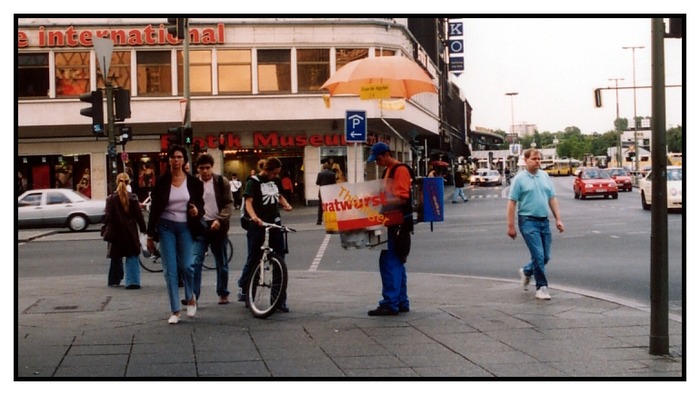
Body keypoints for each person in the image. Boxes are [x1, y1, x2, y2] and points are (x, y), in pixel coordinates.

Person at [146, 145, 205, 324]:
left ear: (184, 160)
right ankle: (175, 310)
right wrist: (149, 236)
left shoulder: (194, 182)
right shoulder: (162, 181)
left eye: (179, 157)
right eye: (173, 157)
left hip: (185, 226)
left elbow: (200, 205)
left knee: (187, 265)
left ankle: (190, 297)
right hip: (165, 227)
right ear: (169, 160)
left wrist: (197, 211)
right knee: (170, 270)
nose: (176, 160)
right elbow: (155, 209)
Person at [506, 148, 564, 301]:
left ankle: (526, 271)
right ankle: (542, 287)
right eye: (534, 159)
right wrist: (510, 226)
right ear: (526, 161)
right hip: (528, 221)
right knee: (538, 255)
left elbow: (552, 198)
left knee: (545, 256)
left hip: (544, 221)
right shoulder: (519, 179)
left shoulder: (544, 176)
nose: (538, 161)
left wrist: (558, 218)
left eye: (539, 159)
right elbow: (512, 203)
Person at [237, 157, 293, 312]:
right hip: (257, 225)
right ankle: (247, 293)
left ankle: (279, 300)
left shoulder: (276, 180)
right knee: (254, 258)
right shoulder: (253, 182)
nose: (276, 176)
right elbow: (248, 202)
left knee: (279, 260)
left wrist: (286, 204)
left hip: (274, 223)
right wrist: (254, 217)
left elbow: (279, 195)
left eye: (277, 174)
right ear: (267, 171)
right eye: (274, 173)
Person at [366, 142, 413, 316]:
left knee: (389, 261)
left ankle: (390, 303)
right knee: (397, 261)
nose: (376, 162)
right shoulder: (388, 171)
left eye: (377, 158)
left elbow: (402, 198)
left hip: (397, 223)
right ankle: (401, 301)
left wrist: (377, 203)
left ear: (386, 154)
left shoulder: (399, 170)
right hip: (394, 221)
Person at [190, 154, 233, 305]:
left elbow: (228, 203)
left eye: (207, 168)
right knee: (195, 262)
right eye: (202, 168)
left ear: (212, 167)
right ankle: (193, 296)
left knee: (221, 262)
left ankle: (223, 292)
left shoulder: (221, 181)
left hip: (218, 226)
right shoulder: (193, 183)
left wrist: (220, 220)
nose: (205, 171)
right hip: (200, 225)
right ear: (197, 169)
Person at [104, 172, 147, 289]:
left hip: (115, 232)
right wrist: (144, 230)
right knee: (132, 254)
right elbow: (139, 217)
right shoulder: (133, 198)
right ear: (129, 182)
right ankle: (132, 281)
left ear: (117, 182)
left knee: (115, 256)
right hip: (130, 232)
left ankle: (114, 279)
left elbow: (107, 217)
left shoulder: (110, 199)